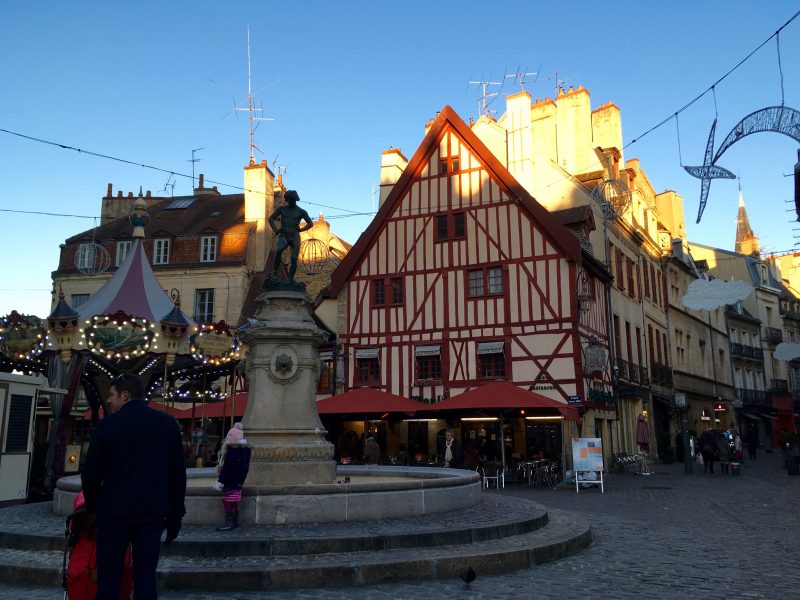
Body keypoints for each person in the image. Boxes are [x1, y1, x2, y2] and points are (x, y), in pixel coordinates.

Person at [82, 373, 186, 600]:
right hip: (151, 513)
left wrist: (94, 508)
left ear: (125, 395)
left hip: (113, 514)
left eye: (111, 395)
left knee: (109, 579)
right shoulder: (167, 424)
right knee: (145, 577)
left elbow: (90, 475)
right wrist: (175, 516)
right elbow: (178, 475)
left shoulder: (107, 426)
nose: (108, 400)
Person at [268, 189, 313, 280]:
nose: (290, 202)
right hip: (284, 235)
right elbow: (271, 219)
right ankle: (274, 272)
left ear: (295, 200)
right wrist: (276, 230)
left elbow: (310, 223)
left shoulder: (301, 211)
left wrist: (301, 229)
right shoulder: (282, 209)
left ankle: (290, 279)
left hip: (295, 236)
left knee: (293, 258)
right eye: (288, 200)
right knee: (279, 252)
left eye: (291, 200)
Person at [214, 423, 251, 531]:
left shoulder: (231, 454)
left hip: (230, 483)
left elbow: (226, 470)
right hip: (239, 482)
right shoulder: (244, 452)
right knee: (234, 501)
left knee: (227, 501)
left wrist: (220, 481)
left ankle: (228, 523)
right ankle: (235, 522)